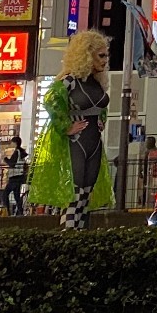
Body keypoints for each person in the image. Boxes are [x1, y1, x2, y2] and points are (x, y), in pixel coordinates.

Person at [32, 29, 113, 229]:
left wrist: (100, 118)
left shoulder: (96, 82)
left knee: (86, 193)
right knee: (76, 193)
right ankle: (69, 233)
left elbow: (101, 106)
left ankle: (77, 233)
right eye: (101, 55)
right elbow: (51, 100)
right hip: (77, 142)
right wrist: (65, 127)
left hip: (93, 141)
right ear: (87, 54)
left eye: (106, 55)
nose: (105, 60)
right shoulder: (69, 80)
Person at [1, 135, 29, 216]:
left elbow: (12, 164)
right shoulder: (21, 152)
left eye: (12, 142)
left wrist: (5, 159)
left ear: (15, 143)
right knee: (17, 196)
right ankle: (20, 213)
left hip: (14, 176)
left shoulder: (17, 152)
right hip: (20, 176)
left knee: (5, 194)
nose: (11, 144)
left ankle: (7, 212)